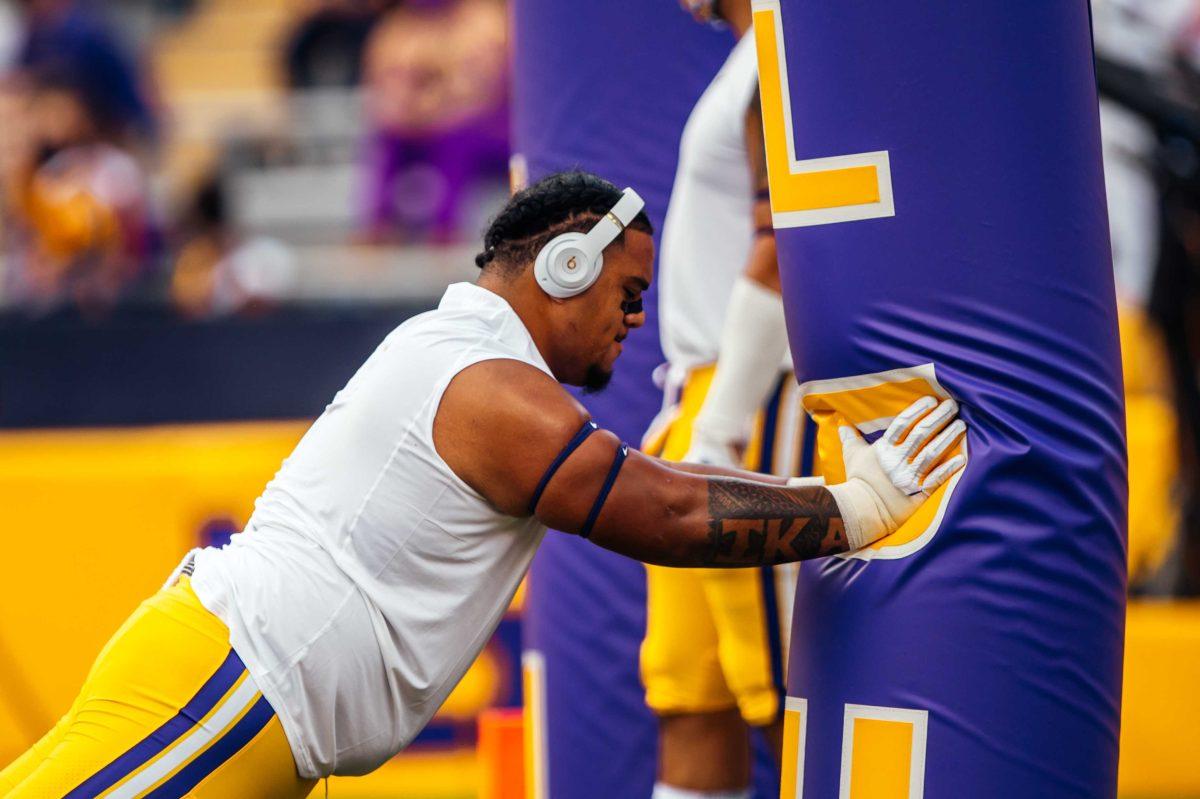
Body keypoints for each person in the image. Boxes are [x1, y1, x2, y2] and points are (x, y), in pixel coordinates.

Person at [0, 171, 965, 798]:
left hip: (244, 697)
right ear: (566, 261)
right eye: (624, 294)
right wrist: (855, 506)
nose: (631, 322)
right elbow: (662, 509)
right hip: (234, 688)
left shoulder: (469, 358)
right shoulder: (488, 382)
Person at [640, 1, 806, 795]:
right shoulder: (744, 55)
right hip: (704, 387)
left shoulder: (785, 45)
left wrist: (725, 422)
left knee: (778, 693)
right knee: (689, 691)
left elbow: (784, 239)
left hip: (757, 393)